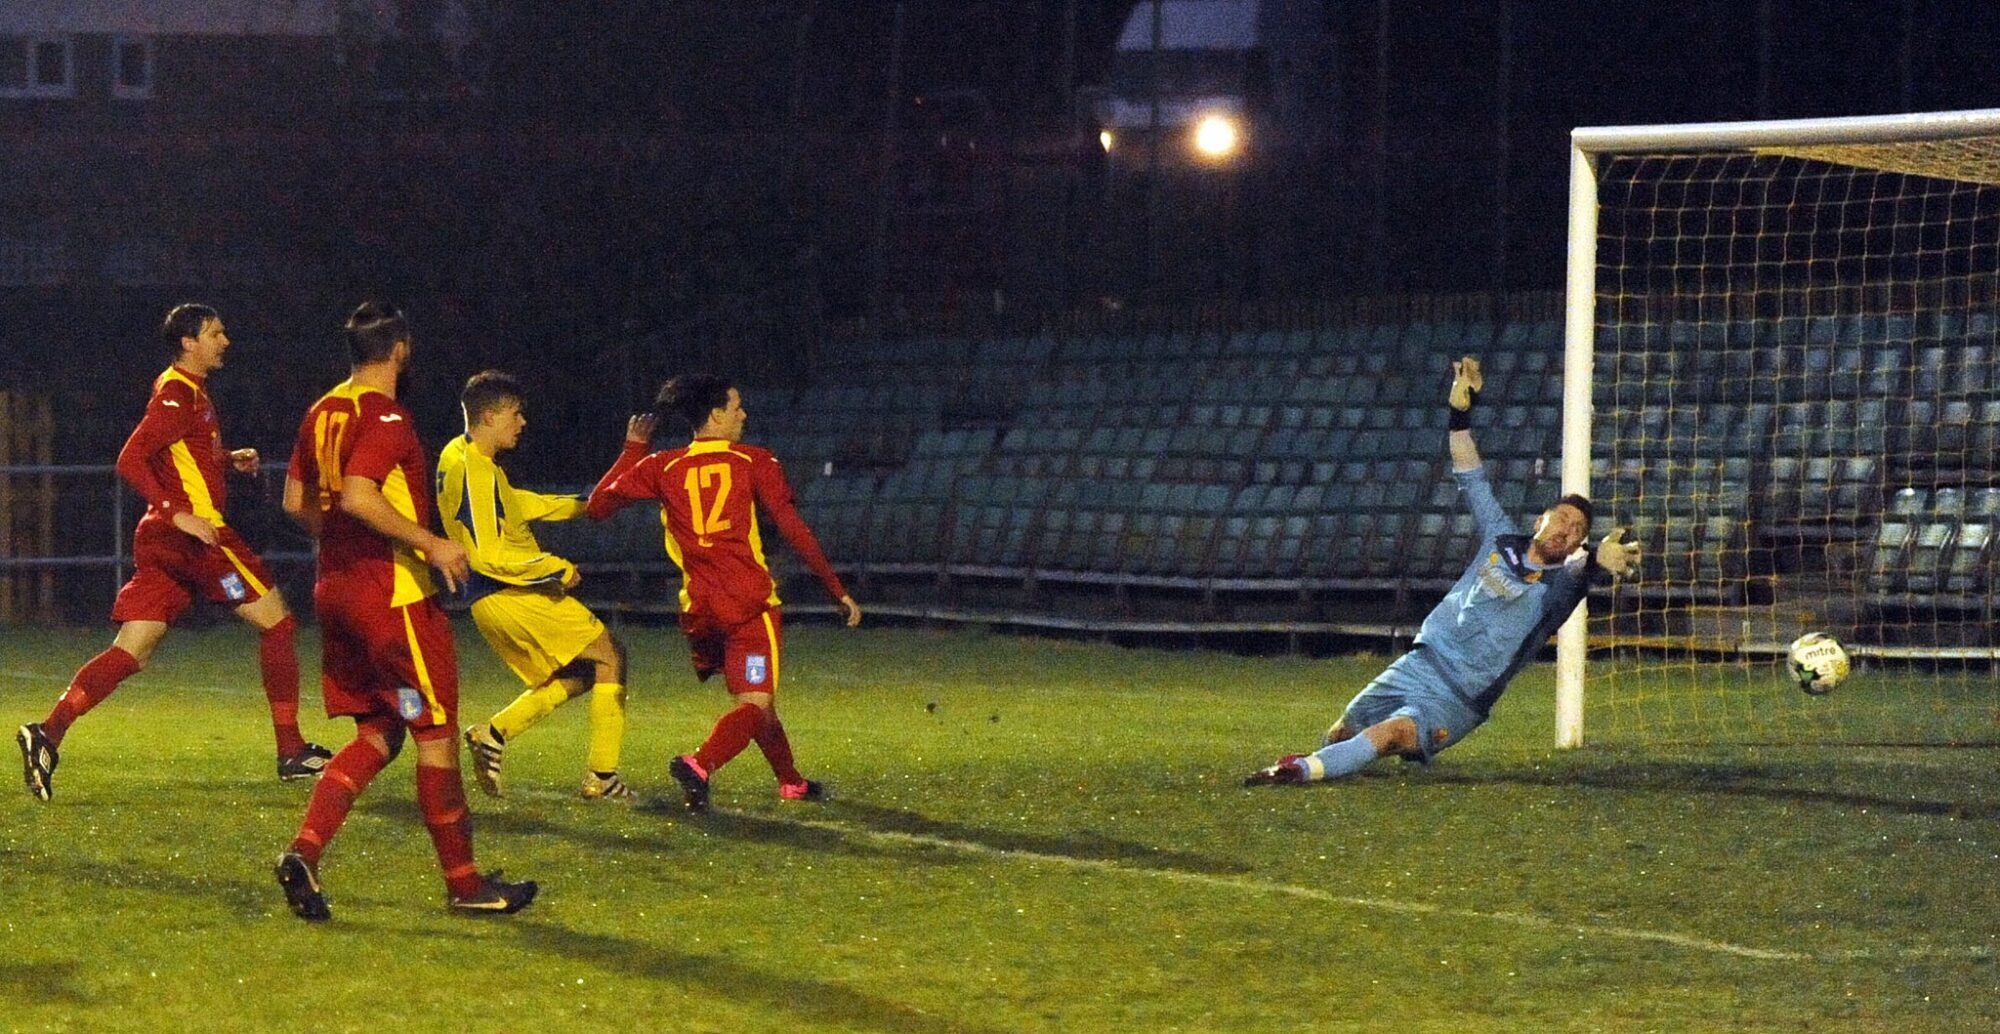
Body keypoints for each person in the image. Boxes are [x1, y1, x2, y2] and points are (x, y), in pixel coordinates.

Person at [1246, 356, 1642, 786]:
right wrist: (1460, 411)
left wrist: (1601, 560)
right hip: (1417, 664)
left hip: (1457, 697)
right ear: (1538, 521)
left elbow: (1584, 573)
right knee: (1341, 733)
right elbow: (1470, 472)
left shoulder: (1557, 588)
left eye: (1577, 530)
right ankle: (1324, 761)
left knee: (1390, 734)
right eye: (1561, 519)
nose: (1566, 530)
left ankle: (1295, 772)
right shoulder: (1499, 538)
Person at [272, 302, 535, 921]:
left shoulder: (322, 409)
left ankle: (304, 852)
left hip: (334, 592)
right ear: (400, 351)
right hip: (393, 600)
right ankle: (466, 885)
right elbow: (362, 494)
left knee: (379, 731)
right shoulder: (386, 415)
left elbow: (294, 501)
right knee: (436, 734)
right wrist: (431, 543)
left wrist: (340, 541)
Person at [16, 304, 328, 802]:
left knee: (131, 651)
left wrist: (226, 459)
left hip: (163, 541)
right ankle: (290, 751)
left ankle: (46, 734)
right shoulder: (178, 394)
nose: (225, 340)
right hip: (198, 540)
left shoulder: (188, 393)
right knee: (279, 624)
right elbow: (130, 458)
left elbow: (177, 455)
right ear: (188, 342)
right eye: (215, 333)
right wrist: (177, 512)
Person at [586, 374, 861, 812]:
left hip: (700, 612)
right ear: (715, 415)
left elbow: (596, 507)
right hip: (749, 608)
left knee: (759, 703)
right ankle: (700, 763)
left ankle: (792, 782)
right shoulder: (754, 460)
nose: (743, 414)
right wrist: (837, 589)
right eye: (736, 407)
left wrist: (632, 449)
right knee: (754, 702)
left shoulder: (663, 465)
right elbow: (792, 527)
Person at [441, 370, 637, 801]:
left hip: (491, 600)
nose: (522, 422)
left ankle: (493, 733)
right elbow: (487, 554)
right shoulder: (474, 467)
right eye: (515, 413)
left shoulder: (462, 457)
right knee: (611, 657)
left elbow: (515, 506)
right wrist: (554, 568)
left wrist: (579, 507)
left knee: (584, 670)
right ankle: (602, 778)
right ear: (489, 416)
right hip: (510, 592)